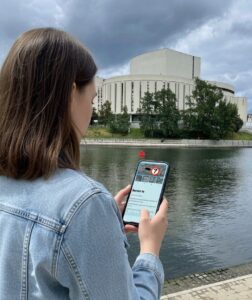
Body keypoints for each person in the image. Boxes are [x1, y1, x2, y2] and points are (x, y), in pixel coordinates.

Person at [0, 28, 168, 299]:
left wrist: (98, 223)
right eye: (91, 100)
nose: (91, 111)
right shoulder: (85, 205)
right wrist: (150, 250)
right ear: (70, 94)